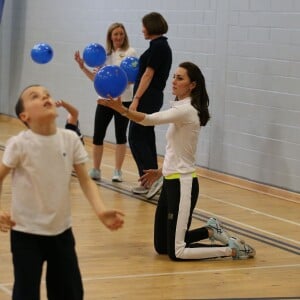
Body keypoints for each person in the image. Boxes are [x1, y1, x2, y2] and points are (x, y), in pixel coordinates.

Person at [98, 62, 256, 260]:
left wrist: (121, 109)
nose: (174, 81)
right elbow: (178, 149)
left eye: (180, 78)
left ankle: (233, 250)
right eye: (174, 76)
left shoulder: (187, 110)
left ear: (192, 85)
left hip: (183, 183)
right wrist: (161, 170)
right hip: (170, 181)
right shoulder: (180, 107)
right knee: (161, 246)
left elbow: (149, 119)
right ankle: (209, 231)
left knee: (177, 252)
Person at [0, 84, 124, 299]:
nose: (45, 97)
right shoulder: (19, 144)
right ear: (24, 115)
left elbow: (86, 181)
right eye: (35, 96)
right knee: (25, 293)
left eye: (47, 94)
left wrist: (101, 210)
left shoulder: (70, 138)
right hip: (26, 234)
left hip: (61, 232)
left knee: (69, 293)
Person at [74, 22, 137, 182]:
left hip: (124, 100)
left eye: (121, 34)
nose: (118, 37)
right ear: (110, 36)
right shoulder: (104, 55)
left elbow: (132, 77)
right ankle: (96, 169)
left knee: (120, 136)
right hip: (104, 101)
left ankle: (118, 171)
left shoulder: (130, 52)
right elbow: (96, 79)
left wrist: (124, 81)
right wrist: (83, 67)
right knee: (98, 135)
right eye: (115, 34)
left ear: (125, 36)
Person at [128, 12, 172, 197]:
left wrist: (136, 99)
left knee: (136, 137)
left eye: (144, 26)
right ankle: (149, 180)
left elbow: (148, 74)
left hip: (148, 98)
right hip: (149, 97)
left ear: (152, 26)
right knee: (144, 137)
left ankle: (153, 180)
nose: (142, 29)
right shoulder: (157, 45)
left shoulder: (159, 47)